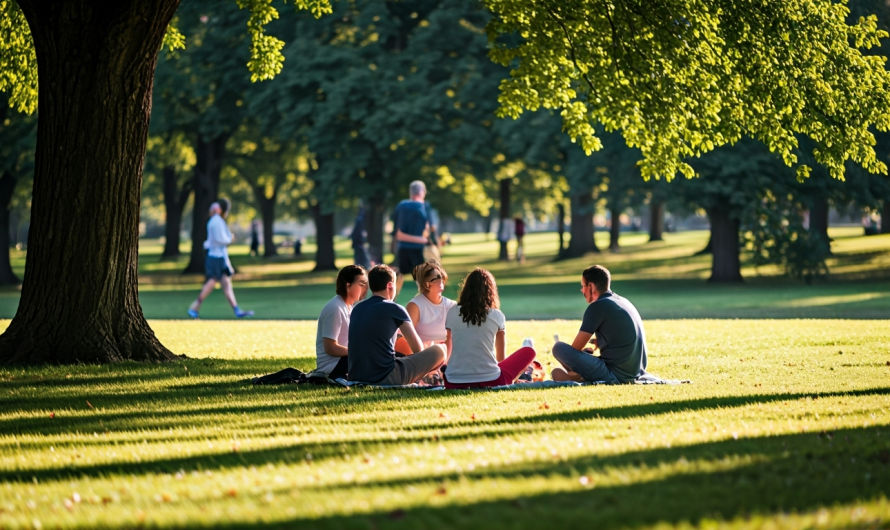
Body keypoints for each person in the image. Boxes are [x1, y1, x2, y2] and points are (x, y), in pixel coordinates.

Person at [348, 265, 446, 384]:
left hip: (355, 376)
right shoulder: (395, 309)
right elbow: (418, 349)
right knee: (440, 350)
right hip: (386, 376)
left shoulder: (357, 308)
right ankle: (430, 378)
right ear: (390, 285)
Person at [551, 265, 648, 384]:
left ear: (591, 286)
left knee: (559, 348)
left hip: (615, 375)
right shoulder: (622, 301)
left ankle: (579, 375)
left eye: (583, 286)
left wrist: (582, 354)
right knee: (580, 354)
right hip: (637, 372)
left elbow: (574, 349)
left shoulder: (597, 306)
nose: (582, 290)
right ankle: (578, 375)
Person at [443, 268, 536, 389]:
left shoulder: (452, 312)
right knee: (529, 351)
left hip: (453, 381)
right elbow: (501, 358)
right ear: (490, 291)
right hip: (492, 380)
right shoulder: (497, 315)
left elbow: (448, 346)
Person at [187, 199, 253, 319]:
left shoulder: (217, 221)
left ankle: (237, 310)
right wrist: (230, 239)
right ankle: (195, 307)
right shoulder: (216, 221)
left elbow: (214, 241)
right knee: (212, 282)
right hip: (215, 257)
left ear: (218, 209)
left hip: (220, 257)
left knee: (226, 284)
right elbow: (219, 240)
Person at [314, 265, 368, 379]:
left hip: (345, 359)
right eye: (361, 284)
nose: (365, 289)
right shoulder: (336, 308)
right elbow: (330, 348)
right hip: (332, 366)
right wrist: (358, 352)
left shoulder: (349, 307)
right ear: (348, 285)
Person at [395, 261, 455, 356]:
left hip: (449, 355)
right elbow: (404, 337)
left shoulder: (451, 305)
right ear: (427, 284)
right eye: (438, 277)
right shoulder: (415, 306)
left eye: (442, 276)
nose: (442, 279)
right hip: (424, 356)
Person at [392, 181, 429, 293]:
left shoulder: (402, 206)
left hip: (403, 249)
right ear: (422, 192)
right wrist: (422, 240)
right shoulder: (424, 207)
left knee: (399, 278)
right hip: (418, 250)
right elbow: (429, 228)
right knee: (422, 282)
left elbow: (397, 233)